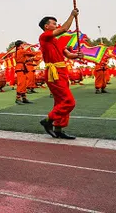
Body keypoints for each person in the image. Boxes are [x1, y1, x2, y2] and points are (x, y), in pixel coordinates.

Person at [38, 10, 83, 139]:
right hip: (54, 73)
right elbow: (64, 28)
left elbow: (68, 55)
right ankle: (48, 120)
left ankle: (58, 129)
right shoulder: (44, 36)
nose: (56, 25)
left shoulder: (56, 41)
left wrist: (77, 56)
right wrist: (72, 15)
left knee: (61, 102)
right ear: (47, 26)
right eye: (54, 23)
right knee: (69, 102)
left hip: (62, 72)